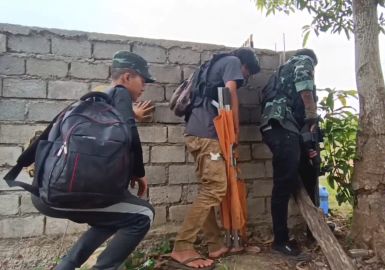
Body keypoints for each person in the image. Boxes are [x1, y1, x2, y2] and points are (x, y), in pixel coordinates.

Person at [32, 51, 156, 270]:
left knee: (115, 215)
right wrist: (139, 172)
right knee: (143, 214)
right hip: (61, 196)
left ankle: (66, 266)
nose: (144, 86)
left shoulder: (96, 98)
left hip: (44, 191)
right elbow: (131, 135)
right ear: (126, 77)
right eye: (142, 80)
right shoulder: (120, 93)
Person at [169, 48, 260, 270]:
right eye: (246, 74)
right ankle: (182, 246)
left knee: (208, 188)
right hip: (209, 134)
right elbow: (230, 94)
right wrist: (235, 130)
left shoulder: (209, 67)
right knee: (216, 187)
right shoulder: (232, 61)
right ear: (243, 65)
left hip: (196, 133)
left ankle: (215, 244)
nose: (244, 79)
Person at [259, 48, 318, 258]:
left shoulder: (280, 74)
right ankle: (280, 241)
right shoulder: (304, 60)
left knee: (302, 174)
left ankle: (313, 231)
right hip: (281, 126)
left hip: (278, 126)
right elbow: (305, 87)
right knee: (283, 184)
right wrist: (313, 117)